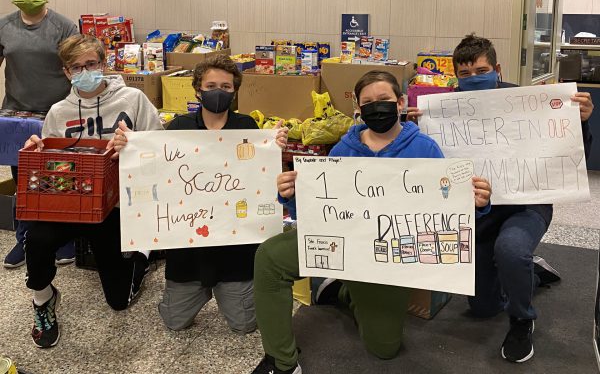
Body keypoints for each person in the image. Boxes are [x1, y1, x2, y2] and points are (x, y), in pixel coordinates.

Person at [251, 70, 492, 374]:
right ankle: (281, 361)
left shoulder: (426, 149)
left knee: (384, 349)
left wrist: (476, 203)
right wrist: (291, 195)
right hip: (342, 242)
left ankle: (342, 290)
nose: (377, 107)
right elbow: (319, 211)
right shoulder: (342, 149)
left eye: (384, 100)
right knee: (270, 257)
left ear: (401, 102)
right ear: (359, 109)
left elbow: (445, 212)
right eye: (368, 103)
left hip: (390, 256)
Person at [408, 33, 593, 363]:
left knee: (510, 249)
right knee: (482, 308)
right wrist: (411, 129)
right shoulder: (444, 109)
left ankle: (522, 320)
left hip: (526, 204)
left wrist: (580, 123)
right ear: (455, 77)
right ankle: (529, 272)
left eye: (481, 71)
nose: (473, 79)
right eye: (464, 74)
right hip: (481, 212)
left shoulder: (526, 100)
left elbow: (572, 154)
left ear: (497, 68)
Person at [113, 54, 288, 335]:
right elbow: (154, 168)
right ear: (197, 89)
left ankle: (230, 290)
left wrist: (274, 145)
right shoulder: (179, 127)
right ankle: (195, 291)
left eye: (226, 87)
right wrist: (128, 145)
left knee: (245, 326)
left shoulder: (248, 128)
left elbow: (260, 176)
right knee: (175, 322)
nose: (218, 92)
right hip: (188, 251)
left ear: (235, 91)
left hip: (235, 252)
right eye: (210, 86)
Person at [23, 34, 163, 348]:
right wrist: (39, 152)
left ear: (103, 63)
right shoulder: (59, 112)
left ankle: (141, 253)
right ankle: (43, 300)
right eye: (76, 67)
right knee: (37, 237)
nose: (85, 72)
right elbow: (51, 168)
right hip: (73, 202)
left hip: (116, 205)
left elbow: (160, 147)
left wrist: (134, 144)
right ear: (67, 72)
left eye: (91, 64)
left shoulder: (133, 100)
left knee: (119, 301)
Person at [0, 0, 78, 269]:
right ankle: (25, 239)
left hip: (58, 113)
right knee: (25, 180)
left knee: (61, 176)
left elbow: (78, 68)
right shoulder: (4, 26)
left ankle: (65, 236)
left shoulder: (63, 27)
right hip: (16, 113)